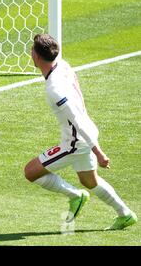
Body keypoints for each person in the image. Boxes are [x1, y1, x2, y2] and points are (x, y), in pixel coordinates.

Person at [24, 34, 137, 230]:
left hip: (76, 141)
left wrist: (99, 153)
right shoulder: (63, 65)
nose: (30, 53)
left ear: (38, 57)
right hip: (86, 131)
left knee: (31, 172)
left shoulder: (54, 89)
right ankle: (125, 214)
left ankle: (75, 195)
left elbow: (76, 119)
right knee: (89, 181)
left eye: (32, 50)